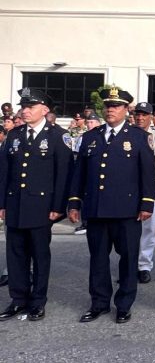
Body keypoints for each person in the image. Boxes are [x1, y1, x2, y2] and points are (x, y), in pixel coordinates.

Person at [67, 88, 155, 324]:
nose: (110, 109)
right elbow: (80, 173)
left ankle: (124, 304)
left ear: (127, 110)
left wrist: (147, 203)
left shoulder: (137, 136)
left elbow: (147, 173)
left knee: (128, 258)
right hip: (96, 209)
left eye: (116, 106)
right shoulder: (90, 136)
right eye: (107, 105)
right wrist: (74, 201)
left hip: (127, 210)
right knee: (98, 259)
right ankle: (99, 302)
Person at [0, 89, 70, 322]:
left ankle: (38, 301)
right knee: (15, 254)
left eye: (31, 106)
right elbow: (4, 172)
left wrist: (59, 206)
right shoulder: (14, 135)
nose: (25, 110)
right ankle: (18, 299)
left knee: (40, 256)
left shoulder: (58, 136)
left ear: (45, 110)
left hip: (41, 206)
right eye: (23, 106)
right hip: (15, 204)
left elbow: (63, 174)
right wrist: (2, 203)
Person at [133, 102, 155, 284]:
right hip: (128, 189)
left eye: (144, 115)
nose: (140, 118)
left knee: (148, 228)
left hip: (150, 187)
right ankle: (129, 264)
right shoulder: (126, 135)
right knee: (128, 229)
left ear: (151, 117)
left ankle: (144, 265)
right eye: (137, 115)